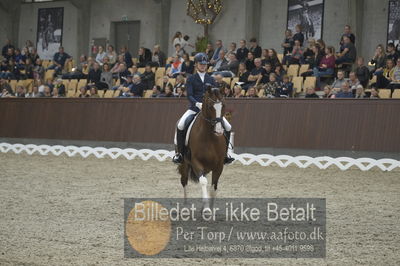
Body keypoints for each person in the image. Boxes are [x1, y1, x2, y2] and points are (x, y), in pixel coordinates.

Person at [172, 53, 234, 165]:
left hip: (210, 110)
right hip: (194, 108)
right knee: (181, 125)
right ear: (196, 64)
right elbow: (189, 95)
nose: (203, 66)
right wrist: (197, 104)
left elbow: (215, 94)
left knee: (228, 126)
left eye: (205, 64)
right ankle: (179, 154)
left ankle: (226, 154)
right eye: (201, 64)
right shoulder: (191, 79)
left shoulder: (211, 79)